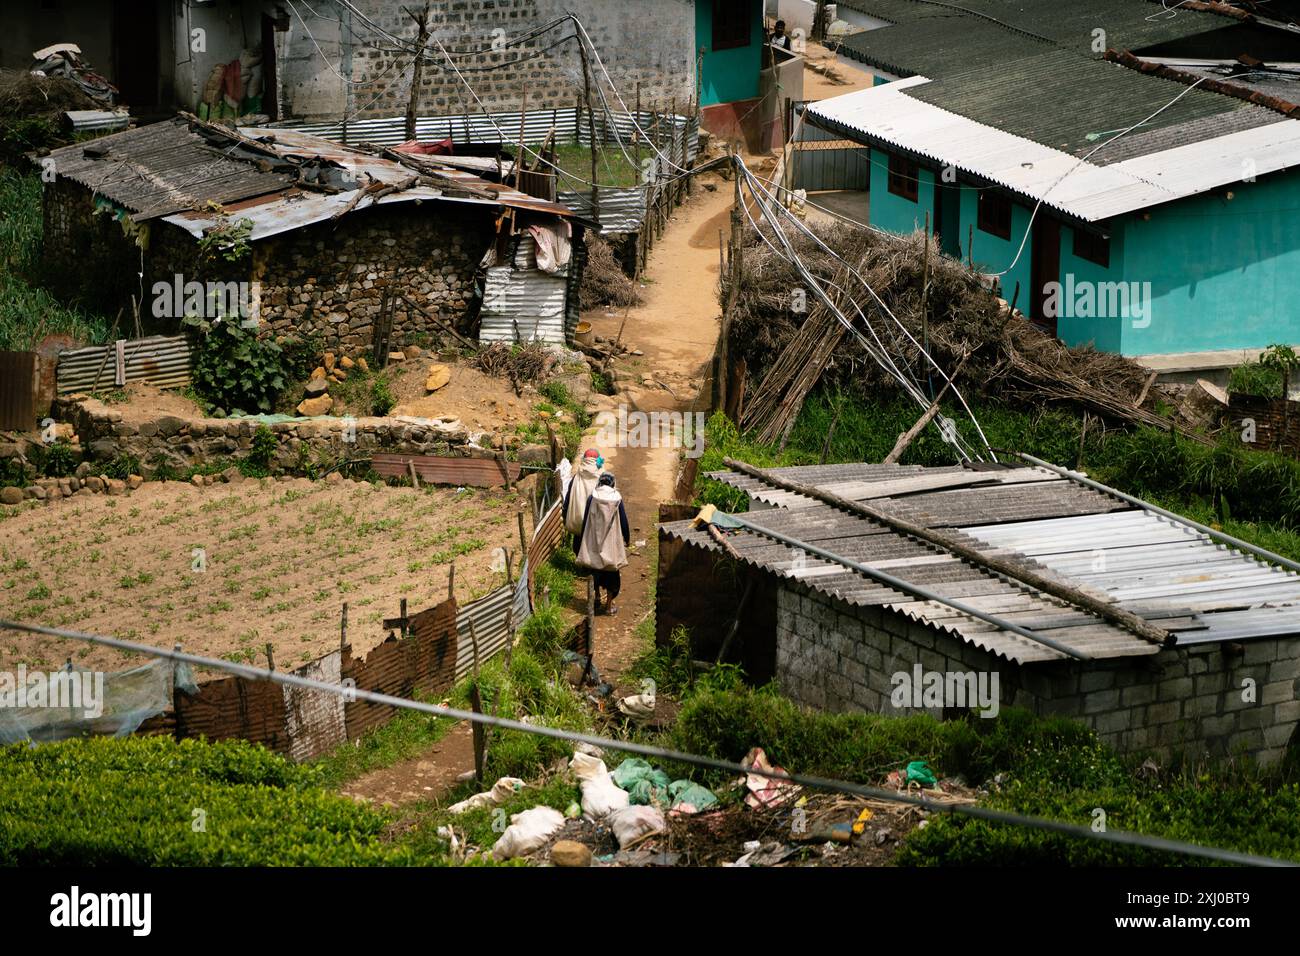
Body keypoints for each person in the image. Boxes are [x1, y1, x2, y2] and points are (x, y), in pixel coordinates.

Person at [576, 473, 630, 615]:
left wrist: (583, 538)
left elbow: (586, 519)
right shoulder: (617, 499)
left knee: (595, 571)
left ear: (599, 483)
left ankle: (597, 597)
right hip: (611, 544)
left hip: (594, 541)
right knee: (612, 575)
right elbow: (623, 521)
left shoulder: (592, 498)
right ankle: (608, 606)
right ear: (612, 484)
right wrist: (627, 538)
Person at [563, 448, 603, 539]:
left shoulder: (576, 478)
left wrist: (565, 516)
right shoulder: (603, 477)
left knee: (578, 549)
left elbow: (568, 500)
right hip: (597, 525)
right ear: (598, 460)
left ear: (584, 459)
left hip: (579, 525)